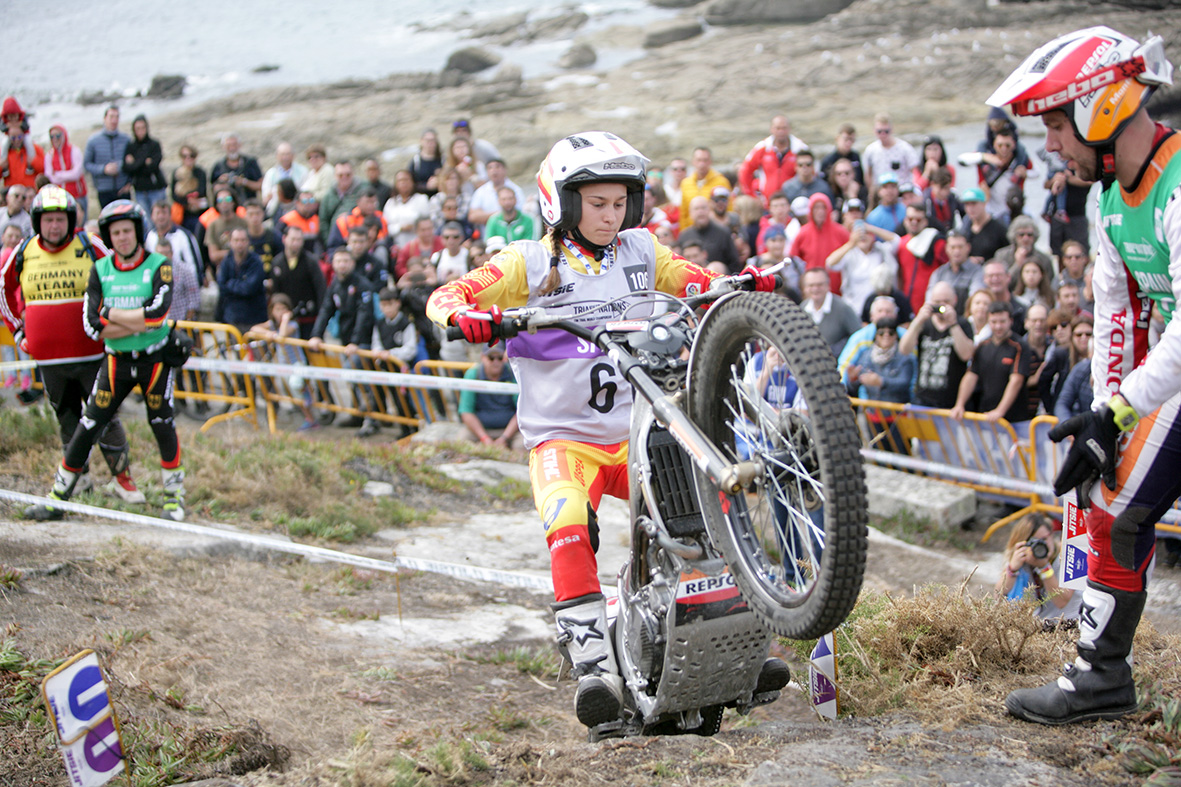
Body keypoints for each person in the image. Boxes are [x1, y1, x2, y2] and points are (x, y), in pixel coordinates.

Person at [425, 131, 778, 729]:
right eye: (597, 204)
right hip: (565, 440)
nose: (611, 216)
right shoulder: (526, 262)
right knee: (566, 521)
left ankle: (743, 641)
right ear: (562, 202)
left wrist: (736, 283)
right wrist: (466, 316)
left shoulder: (641, 250)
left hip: (639, 433)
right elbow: (446, 295)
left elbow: (690, 279)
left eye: (620, 203)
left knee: (709, 511)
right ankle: (595, 671)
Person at [1, 186, 145, 516]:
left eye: (60, 219)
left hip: (93, 356)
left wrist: (118, 325)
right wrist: (19, 331)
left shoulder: (89, 244)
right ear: (38, 222)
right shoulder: (24, 250)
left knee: (105, 416)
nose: (55, 226)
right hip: (50, 360)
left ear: (70, 220)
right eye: (48, 220)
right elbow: (3, 290)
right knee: (67, 418)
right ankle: (79, 479)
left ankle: (123, 480)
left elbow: (122, 276)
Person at [38, 200, 185, 520]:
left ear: (137, 231)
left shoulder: (159, 265)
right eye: (116, 233)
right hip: (116, 362)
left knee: (162, 424)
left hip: (154, 361)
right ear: (109, 236)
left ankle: (174, 498)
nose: (122, 238)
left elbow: (156, 316)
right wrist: (133, 320)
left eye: (127, 231)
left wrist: (111, 314)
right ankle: (57, 497)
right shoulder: (100, 269)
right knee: (88, 425)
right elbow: (92, 326)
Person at [308, 247, 380, 438]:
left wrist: (356, 341)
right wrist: (316, 334)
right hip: (346, 340)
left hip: (363, 341)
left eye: (346, 261)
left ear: (352, 263)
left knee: (361, 378)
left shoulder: (362, 285)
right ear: (333, 264)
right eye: (338, 261)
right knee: (352, 379)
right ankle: (357, 414)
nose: (342, 265)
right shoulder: (335, 284)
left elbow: (365, 315)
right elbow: (326, 309)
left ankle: (371, 419)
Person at [950, 301, 1032, 428]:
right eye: (994, 322)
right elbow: (971, 376)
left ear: (1010, 321)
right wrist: (960, 404)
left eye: (1002, 322)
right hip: (986, 415)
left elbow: (1016, 380)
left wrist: (1000, 411)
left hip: (1013, 420)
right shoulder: (983, 346)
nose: (998, 326)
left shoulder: (1019, 346)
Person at [899, 282, 975, 409]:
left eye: (946, 302)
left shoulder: (962, 324)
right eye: (937, 302)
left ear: (955, 300)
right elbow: (904, 349)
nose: (941, 306)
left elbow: (966, 355)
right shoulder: (924, 324)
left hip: (951, 402)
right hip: (923, 399)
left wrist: (953, 324)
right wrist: (918, 321)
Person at [996, 514, 1082, 621]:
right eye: (1034, 542)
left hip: (1070, 622)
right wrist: (1012, 570)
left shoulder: (1070, 554)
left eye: (1044, 539)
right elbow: (998, 596)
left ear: (1052, 535)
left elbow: (1061, 601)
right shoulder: (1023, 559)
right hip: (1040, 624)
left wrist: (1044, 568)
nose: (1041, 546)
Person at [145, 200, 203, 322]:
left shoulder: (183, 235)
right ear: (152, 216)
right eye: (158, 213)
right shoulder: (150, 237)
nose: (161, 216)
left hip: (181, 289)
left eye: (164, 213)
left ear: (170, 214)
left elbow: (194, 264)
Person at [268, 222, 326, 341]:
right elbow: (276, 293)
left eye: (299, 240)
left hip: (309, 318)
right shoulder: (277, 262)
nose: (296, 243)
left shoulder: (311, 262)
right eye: (293, 239)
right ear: (284, 239)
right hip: (286, 319)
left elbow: (321, 289)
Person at [459, 345, 523, 451]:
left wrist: (504, 438)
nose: (496, 362)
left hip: (511, 432)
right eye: (491, 358)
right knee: (461, 442)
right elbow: (466, 411)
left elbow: (521, 410)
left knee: (523, 445)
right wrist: (484, 438)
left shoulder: (513, 374)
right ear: (482, 357)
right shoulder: (473, 374)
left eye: (500, 358)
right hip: (480, 431)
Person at [737, 115, 806, 206]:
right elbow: (745, 170)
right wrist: (752, 195)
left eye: (784, 128)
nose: (781, 131)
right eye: (778, 128)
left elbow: (812, 172)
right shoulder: (762, 148)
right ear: (771, 129)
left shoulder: (799, 148)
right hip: (767, 203)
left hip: (793, 202)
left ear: (789, 129)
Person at [790, 193, 850, 294]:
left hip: (837, 290)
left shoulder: (841, 232)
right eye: (816, 208)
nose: (820, 211)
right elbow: (793, 260)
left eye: (824, 207)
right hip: (811, 290)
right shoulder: (803, 233)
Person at [216, 227, 268, 335]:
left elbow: (248, 289)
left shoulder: (256, 262)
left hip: (254, 319)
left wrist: (230, 283)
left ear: (248, 242)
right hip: (231, 318)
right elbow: (221, 286)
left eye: (243, 240)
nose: (239, 244)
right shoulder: (226, 261)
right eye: (236, 240)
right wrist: (238, 285)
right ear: (230, 242)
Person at [800, 267, 861, 357]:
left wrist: (838, 350)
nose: (815, 289)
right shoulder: (801, 309)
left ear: (828, 286)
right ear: (804, 288)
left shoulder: (843, 308)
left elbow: (858, 337)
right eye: (811, 285)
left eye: (819, 284)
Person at [677, 195, 740, 274]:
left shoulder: (723, 233)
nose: (700, 211)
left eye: (703, 208)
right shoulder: (684, 236)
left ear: (709, 210)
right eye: (696, 208)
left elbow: (734, 263)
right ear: (690, 213)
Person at [83, 106, 131, 208]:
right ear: (104, 119)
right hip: (104, 190)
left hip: (123, 189)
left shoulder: (126, 140)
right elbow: (86, 164)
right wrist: (103, 169)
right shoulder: (93, 141)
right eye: (111, 117)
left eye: (117, 117)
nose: (114, 120)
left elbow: (134, 163)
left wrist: (130, 183)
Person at [862, 113, 920, 190]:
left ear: (892, 130)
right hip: (880, 192)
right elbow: (868, 174)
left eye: (886, 131)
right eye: (879, 131)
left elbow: (915, 171)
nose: (883, 134)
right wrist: (871, 191)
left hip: (901, 191)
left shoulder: (905, 148)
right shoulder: (870, 150)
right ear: (874, 131)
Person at [929, 230, 984, 311]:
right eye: (953, 247)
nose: (956, 251)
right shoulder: (938, 273)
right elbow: (929, 300)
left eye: (960, 247)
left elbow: (975, 299)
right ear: (946, 248)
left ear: (968, 247)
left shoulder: (977, 271)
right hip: (941, 315)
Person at [43, 125, 88, 223]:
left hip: (78, 195)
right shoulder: (49, 155)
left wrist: (58, 174)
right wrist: (68, 174)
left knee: (81, 223)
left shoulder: (74, 150)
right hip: (60, 198)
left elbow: (77, 173)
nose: (55, 139)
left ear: (64, 135)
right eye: (52, 136)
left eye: (58, 136)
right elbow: (49, 177)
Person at [123, 115, 166, 215]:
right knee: (144, 218)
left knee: (159, 216)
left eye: (143, 128)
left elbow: (153, 166)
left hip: (155, 188)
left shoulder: (154, 144)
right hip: (139, 190)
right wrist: (143, 161)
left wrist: (135, 162)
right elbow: (126, 168)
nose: (141, 131)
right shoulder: (131, 146)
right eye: (138, 128)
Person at [678, 147, 730, 231]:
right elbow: (684, 213)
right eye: (699, 160)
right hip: (692, 231)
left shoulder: (721, 182)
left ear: (710, 161)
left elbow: (729, 208)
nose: (702, 164)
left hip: (714, 230)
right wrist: (684, 233)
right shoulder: (686, 183)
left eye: (705, 160)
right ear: (693, 162)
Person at [995, 215, 1053, 285]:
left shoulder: (1044, 259)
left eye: (1029, 235)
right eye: (1021, 235)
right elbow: (1001, 284)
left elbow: (1048, 284)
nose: (1025, 238)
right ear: (1014, 236)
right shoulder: (1002, 255)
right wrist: (1017, 265)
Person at [383, 170, 430, 249]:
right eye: (400, 180)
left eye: (406, 180)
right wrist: (400, 228)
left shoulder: (422, 199)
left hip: (417, 245)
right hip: (396, 247)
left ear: (412, 182)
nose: (403, 183)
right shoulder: (390, 203)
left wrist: (414, 227)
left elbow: (428, 222)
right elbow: (385, 226)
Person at [209, 133, 262, 204]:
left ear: (240, 145)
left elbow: (261, 185)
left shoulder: (250, 163)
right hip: (227, 205)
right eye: (228, 145)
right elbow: (211, 189)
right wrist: (221, 182)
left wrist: (244, 182)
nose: (232, 148)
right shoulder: (218, 166)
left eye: (234, 144)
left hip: (248, 203)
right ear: (223, 147)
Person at [960, 187, 1008, 263]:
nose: (970, 208)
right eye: (967, 204)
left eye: (974, 203)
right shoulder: (965, 227)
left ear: (984, 204)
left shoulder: (999, 228)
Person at [260, 142, 308, 215]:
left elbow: (305, 190)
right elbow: (266, 194)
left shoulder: (303, 171)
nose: (285, 157)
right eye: (282, 154)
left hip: (297, 207)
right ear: (277, 156)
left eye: (288, 154)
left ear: (293, 155)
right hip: (276, 208)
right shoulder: (271, 173)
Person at [170, 145, 208, 235]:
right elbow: (174, 195)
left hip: (198, 211)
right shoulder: (177, 173)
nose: (188, 158)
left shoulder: (200, 172)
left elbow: (202, 191)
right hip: (182, 212)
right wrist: (188, 201)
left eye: (191, 156)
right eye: (184, 156)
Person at [408, 130, 443, 196]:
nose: (430, 144)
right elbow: (410, 184)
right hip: (421, 197)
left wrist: (439, 181)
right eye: (428, 140)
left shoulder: (443, 160)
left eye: (433, 140)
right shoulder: (416, 161)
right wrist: (426, 186)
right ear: (421, 141)